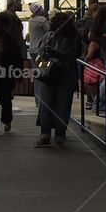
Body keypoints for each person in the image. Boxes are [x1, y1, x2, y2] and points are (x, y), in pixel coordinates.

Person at [34, 12, 81, 147]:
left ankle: (45, 135)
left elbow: (41, 52)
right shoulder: (74, 37)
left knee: (46, 105)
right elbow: (76, 54)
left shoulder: (49, 35)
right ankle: (60, 135)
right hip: (67, 74)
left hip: (49, 73)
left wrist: (51, 58)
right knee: (63, 106)